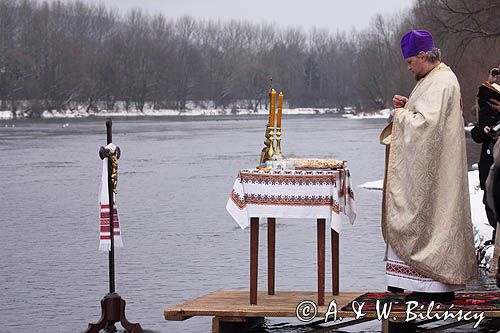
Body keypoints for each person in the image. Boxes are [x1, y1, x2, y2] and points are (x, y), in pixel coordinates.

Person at [380, 30, 477, 301]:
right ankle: (417, 285)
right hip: (437, 169)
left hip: (438, 175)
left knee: (427, 223)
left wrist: (400, 116)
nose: (409, 67)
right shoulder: (433, 78)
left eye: (410, 62)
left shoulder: (441, 81)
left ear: (423, 56)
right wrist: (408, 105)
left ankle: (433, 289)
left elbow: (426, 126)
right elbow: (427, 114)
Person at [471, 66, 500, 244]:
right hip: (488, 160)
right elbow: (476, 134)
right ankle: (495, 233)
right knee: (488, 200)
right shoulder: (486, 111)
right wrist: (485, 130)